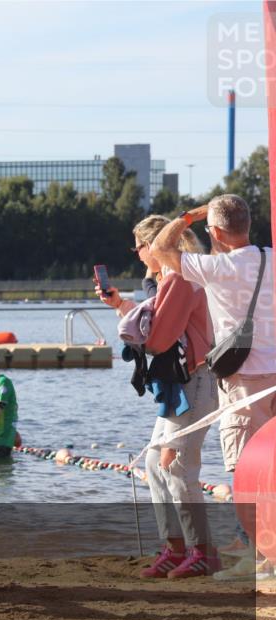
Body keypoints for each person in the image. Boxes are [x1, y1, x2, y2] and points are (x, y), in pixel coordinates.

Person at [150, 194, 275, 581]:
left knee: (245, 472)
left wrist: (189, 215)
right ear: (249, 225)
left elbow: (160, 248)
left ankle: (264, 561)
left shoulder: (215, 267)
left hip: (241, 382)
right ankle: (264, 557)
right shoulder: (270, 257)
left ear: (216, 232)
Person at [99, 214, 219, 579]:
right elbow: (155, 330)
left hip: (195, 382)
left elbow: (158, 339)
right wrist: (125, 309)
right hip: (181, 384)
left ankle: (202, 552)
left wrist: (134, 328)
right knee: (154, 463)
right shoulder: (169, 280)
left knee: (177, 465)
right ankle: (175, 547)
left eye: (139, 246)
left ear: (156, 246)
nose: (137, 255)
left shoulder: (180, 280)